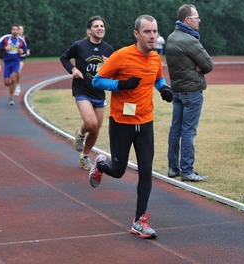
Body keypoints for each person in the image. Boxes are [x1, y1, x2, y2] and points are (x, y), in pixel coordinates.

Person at [91, 14, 173, 239]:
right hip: (121, 122)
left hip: (145, 122)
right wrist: (120, 85)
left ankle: (139, 221)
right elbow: (96, 81)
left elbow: (157, 79)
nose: (152, 35)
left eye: (155, 31)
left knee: (146, 170)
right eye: (147, 31)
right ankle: (100, 165)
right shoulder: (121, 56)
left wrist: (163, 88)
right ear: (136, 34)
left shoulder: (156, 58)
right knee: (118, 171)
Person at [165, 4, 213, 182]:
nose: (199, 20)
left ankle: (173, 168)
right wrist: (198, 67)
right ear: (187, 20)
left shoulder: (171, 37)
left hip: (177, 90)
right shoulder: (190, 40)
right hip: (192, 91)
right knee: (188, 132)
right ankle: (187, 171)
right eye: (196, 17)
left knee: (175, 130)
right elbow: (208, 65)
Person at [60, 16, 114, 171]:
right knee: (91, 123)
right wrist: (73, 69)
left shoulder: (108, 49)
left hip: (99, 92)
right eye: (96, 26)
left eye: (102, 26)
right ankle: (81, 132)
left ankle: (84, 156)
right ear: (90, 30)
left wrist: (108, 63)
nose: (100, 28)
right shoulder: (79, 45)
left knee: (96, 129)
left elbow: (113, 72)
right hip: (82, 89)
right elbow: (64, 58)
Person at [0, 23, 27, 106]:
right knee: (6, 83)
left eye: (17, 30)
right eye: (14, 30)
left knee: (13, 78)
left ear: (18, 31)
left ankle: (10, 98)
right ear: (11, 30)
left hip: (16, 62)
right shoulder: (5, 38)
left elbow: (25, 49)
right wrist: (4, 48)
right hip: (7, 62)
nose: (15, 31)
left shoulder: (21, 40)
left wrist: (22, 51)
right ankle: (12, 87)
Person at [14, 25, 31, 96]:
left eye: (21, 29)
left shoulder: (25, 38)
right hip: (14, 57)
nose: (20, 30)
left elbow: (29, 44)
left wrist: (28, 50)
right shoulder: (14, 38)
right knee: (14, 72)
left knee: (18, 71)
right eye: (19, 29)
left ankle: (17, 86)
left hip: (22, 57)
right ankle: (14, 84)